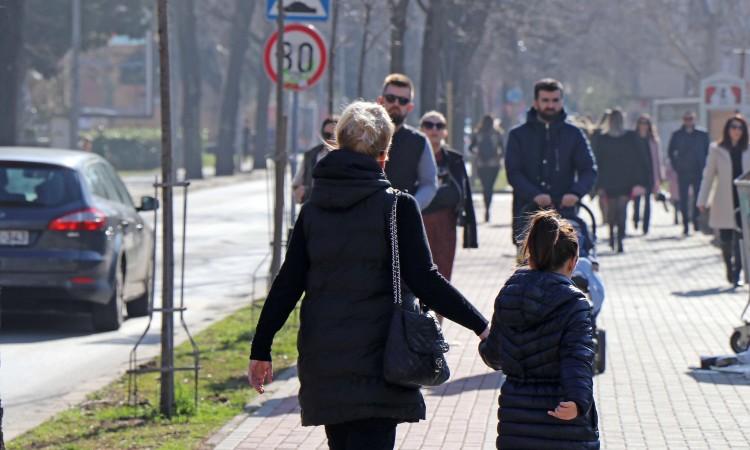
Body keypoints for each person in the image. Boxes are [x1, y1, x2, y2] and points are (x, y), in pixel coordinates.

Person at [248, 101, 489, 450]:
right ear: (383, 154)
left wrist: (261, 348)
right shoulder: (398, 206)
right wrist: (481, 326)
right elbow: (426, 280)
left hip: (324, 360)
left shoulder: (313, 211)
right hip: (382, 361)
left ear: (338, 146)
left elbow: (288, 283)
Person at [479, 210, 599, 450]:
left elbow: (494, 355)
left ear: (530, 255)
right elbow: (577, 357)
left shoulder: (510, 292)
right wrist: (578, 400)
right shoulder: (574, 303)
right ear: (573, 262)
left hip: (517, 418)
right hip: (561, 419)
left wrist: (485, 341)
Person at [505, 78, 597, 245]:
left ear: (561, 102)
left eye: (555, 100)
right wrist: (535, 194)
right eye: (545, 100)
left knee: (566, 267)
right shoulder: (518, 135)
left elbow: (588, 169)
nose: (550, 105)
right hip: (528, 213)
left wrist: (575, 193)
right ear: (536, 102)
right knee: (529, 268)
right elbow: (513, 172)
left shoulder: (574, 134)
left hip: (565, 213)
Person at [420, 111, 478, 322]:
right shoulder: (413, 156)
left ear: (445, 131)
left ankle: (437, 327)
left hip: (446, 226)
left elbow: (462, 194)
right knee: (419, 275)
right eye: (428, 125)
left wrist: (470, 232)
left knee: (443, 276)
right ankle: (420, 324)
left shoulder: (453, 159)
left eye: (438, 125)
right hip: (419, 224)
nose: (433, 130)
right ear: (421, 129)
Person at [697, 115, 750, 287]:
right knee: (726, 238)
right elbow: (708, 176)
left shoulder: (748, 149)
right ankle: (729, 266)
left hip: (744, 199)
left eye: (740, 127)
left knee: (743, 237)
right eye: (733, 127)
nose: (736, 131)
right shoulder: (717, 149)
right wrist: (702, 200)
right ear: (727, 130)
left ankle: (738, 270)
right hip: (724, 198)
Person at [377, 73, 438, 211]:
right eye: (391, 98)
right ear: (380, 101)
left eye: (403, 101)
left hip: (402, 223)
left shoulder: (419, 142)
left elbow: (429, 184)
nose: (396, 104)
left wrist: (411, 207)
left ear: (409, 107)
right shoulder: (363, 136)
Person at [593, 109, 649, 253]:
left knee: (618, 209)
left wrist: (641, 181)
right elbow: (597, 161)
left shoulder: (628, 137)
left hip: (621, 179)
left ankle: (618, 237)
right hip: (614, 179)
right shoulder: (604, 138)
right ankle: (615, 236)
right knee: (616, 210)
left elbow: (640, 159)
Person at [668, 111, 710, 235]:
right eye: (686, 119)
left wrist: (705, 166)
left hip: (698, 171)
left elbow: (708, 151)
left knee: (698, 197)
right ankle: (685, 223)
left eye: (691, 118)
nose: (688, 121)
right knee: (683, 199)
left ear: (694, 119)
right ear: (683, 120)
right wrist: (677, 166)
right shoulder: (677, 135)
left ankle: (696, 221)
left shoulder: (702, 134)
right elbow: (671, 152)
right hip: (683, 171)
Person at [292, 116, 338, 204]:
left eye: (334, 135)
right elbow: (296, 183)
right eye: (327, 135)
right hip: (313, 208)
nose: (331, 138)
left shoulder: (347, 156)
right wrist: (300, 192)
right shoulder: (311, 155)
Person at [631, 114, 663, 235]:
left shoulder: (653, 140)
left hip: (650, 173)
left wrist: (660, 175)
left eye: (646, 123)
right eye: (641, 123)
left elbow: (658, 159)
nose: (643, 126)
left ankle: (646, 226)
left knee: (648, 200)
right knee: (637, 199)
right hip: (636, 173)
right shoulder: (633, 138)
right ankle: (635, 218)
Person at [469, 114, 504, 222]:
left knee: (485, 187)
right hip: (494, 164)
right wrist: (497, 156)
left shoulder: (478, 133)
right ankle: (488, 208)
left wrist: (477, 154)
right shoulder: (497, 133)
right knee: (490, 187)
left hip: (481, 164)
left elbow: (471, 148)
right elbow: (502, 149)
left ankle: (487, 208)